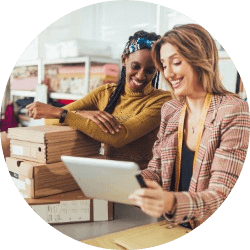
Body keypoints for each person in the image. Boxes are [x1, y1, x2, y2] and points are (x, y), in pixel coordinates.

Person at [128, 24, 250, 229]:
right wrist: (132, 181)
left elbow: (221, 195)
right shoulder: (171, 110)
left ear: (200, 59)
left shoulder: (233, 111)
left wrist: (171, 202)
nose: (168, 74)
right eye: (164, 66)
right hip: (171, 227)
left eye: (176, 62)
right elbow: (157, 170)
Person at [26, 31, 172, 169]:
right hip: (108, 177)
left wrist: (64, 114)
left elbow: (120, 136)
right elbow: (50, 120)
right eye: (136, 66)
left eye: (149, 70)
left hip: (143, 184)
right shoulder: (105, 93)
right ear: (124, 60)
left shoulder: (161, 101)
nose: (140, 76)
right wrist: (81, 114)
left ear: (157, 70)